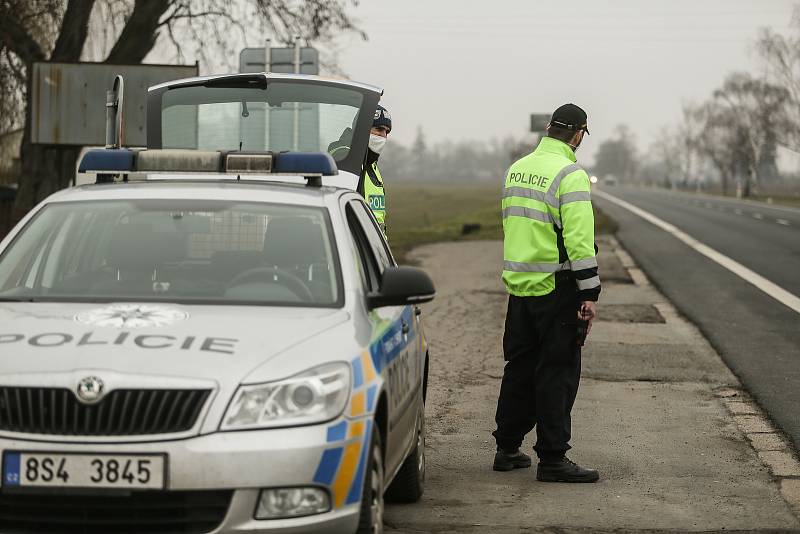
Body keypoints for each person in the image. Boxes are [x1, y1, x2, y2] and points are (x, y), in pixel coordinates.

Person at [492, 103, 601, 483]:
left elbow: (512, 226)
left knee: (519, 367)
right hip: (557, 288)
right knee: (557, 371)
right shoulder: (570, 174)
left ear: (550, 129)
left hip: (520, 287)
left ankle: (506, 448)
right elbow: (579, 240)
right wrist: (590, 292)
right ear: (577, 134)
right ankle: (553, 459)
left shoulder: (517, 169)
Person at [329, 105, 392, 235]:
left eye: (386, 132)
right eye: (379, 129)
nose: (383, 136)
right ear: (362, 129)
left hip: (371, 248)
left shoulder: (371, 165)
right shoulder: (345, 157)